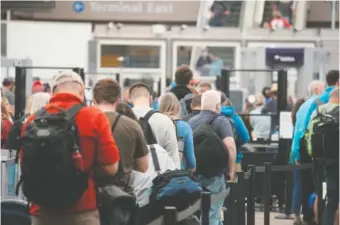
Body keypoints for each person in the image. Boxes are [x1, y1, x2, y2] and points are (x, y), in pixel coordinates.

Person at [23, 71, 120, 225]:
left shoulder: (32, 121)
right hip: (82, 210)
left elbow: (25, 164)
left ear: (52, 92)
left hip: (41, 211)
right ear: (82, 91)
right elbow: (111, 167)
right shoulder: (94, 117)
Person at [291, 70, 338, 225]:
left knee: (320, 192)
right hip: (335, 156)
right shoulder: (327, 101)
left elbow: (304, 130)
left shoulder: (312, 104)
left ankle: (311, 217)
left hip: (318, 155)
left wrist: (300, 152)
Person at [188, 90, 237, 225]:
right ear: (217, 106)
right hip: (215, 174)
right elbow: (230, 146)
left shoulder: (191, 121)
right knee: (214, 212)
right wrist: (231, 170)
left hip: (195, 174)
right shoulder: (221, 120)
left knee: (198, 213)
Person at [92, 78, 149, 190]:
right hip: (121, 195)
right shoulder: (132, 125)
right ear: (118, 100)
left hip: (91, 193)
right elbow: (143, 166)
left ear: (94, 99)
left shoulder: (82, 122)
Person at [130, 82, 180, 168]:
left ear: (130, 100)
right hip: (159, 177)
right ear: (151, 98)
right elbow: (173, 157)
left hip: (132, 177)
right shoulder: (165, 121)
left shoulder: (123, 119)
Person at [158, 93, 196, 171]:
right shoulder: (184, 127)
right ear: (177, 107)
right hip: (177, 173)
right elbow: (191, 159)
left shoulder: (154, 123)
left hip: (157, 173)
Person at [290, 97, 307, 225]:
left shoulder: (295, 122)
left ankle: (296, 214)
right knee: (304, 184)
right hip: (301, 155)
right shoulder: (304, 121)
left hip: (294, 155)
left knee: (297, 184)